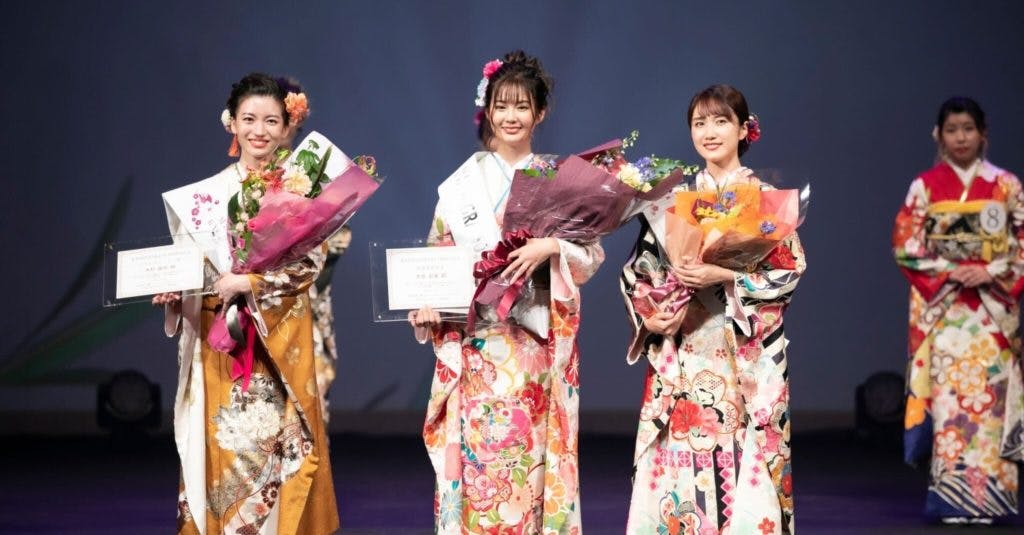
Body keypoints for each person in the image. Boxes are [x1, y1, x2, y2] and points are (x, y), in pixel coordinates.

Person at [407, 50, 604, 533]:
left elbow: (591, 255)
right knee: (479, 466)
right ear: (487, 110)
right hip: (477, 349)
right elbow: (438, 256)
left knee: (529, 464)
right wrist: (427, 308)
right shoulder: (459, 187)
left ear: (540, 113)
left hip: (534, 349)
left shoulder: (558, 178)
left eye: (521, 106)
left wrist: (551, 246)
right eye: (501, 105)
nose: (510, 116)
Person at [154, 72, 339, 534]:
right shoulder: (206, 197)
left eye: (271, 121)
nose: (260, 130)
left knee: (279, 456)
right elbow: (192, 271)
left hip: (278, 347)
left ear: (286, 127)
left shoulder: (298, 192)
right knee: (225, 450)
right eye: (249, 119)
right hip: (221, 345)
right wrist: (175, 293)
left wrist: (251, 281)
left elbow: (310, 265)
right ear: (231, 123)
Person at [619, 84, 804, 534]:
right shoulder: (671, 202)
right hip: (687, 349)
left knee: (747, 457)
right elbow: (640, 273)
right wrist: (652, 314)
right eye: (699, 123)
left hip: (743, 352)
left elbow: (788, 272)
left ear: (743, 129)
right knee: (686, 458)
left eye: (721, 121)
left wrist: (726, 276)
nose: (709, 132)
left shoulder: (765, 199)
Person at [893, 96, 1024, 524]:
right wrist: (952, 270)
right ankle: (951, 499)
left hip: (991, 314)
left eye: (969, 129)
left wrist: (990, 270)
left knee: (991, 405)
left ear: (983, 133)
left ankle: (994, 500)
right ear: (939, 135)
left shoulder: (1006, 186)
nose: (961, 137)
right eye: (952, 130)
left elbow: (1021, 241)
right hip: (948, 312)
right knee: (952, 407)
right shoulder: (925, 186)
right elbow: (906, 245)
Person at [275, 75, 352, 425]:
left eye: (281, 118)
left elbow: (339, 234)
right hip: (257, 306)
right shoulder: (244, 177)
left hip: (305, 299)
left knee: (309, 404)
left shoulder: (313, 171)